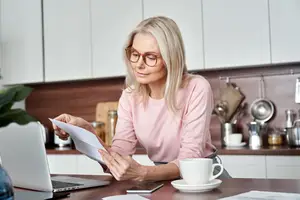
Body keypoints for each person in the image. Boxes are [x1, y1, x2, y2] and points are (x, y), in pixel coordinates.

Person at [52, 16, 230, 182]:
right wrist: (86, 131)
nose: (138, 64)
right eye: (135, 54)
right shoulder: (130, 96)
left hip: (203, 177)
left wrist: (143, 173)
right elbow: (118, 157)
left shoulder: (196, 87)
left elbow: (190, 158)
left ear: (171, 59)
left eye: (150, 57)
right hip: (161, 179)